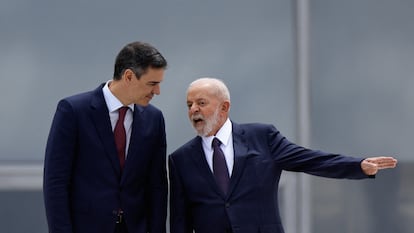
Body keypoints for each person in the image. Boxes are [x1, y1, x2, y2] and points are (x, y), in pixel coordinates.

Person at [168, 77, 397, 233]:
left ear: (224, 107)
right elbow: (180, 222)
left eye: (201, 103)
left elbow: (310, 159)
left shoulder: (262, 137)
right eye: (189, 105)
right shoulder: (180, 159)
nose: (193, 110)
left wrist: (358, 166)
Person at [43, 41, 168, 233]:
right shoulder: (73, 111)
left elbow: (157, 187)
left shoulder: (154, 119)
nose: (157, 91)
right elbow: (56, 181)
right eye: (152, 84)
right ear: (128, 76)